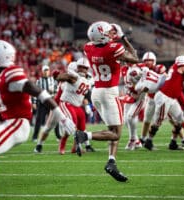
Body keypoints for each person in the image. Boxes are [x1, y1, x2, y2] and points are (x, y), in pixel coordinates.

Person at [0, 40, 75, 200]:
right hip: (10, 121)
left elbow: (40, 93)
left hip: (19, 124)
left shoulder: (10, 73)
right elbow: (12, 103)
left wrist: (62, 118)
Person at [75, 21, 139, 182]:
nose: (112, 34)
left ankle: (112, 162)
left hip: (96, 92)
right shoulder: (114, 48)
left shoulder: (89, 47)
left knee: (112, 130)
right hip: (109, 92)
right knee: (116, 134)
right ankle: (84, 135)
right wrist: (123, 38)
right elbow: (135, 58)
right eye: (109, 32)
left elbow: (102, 46)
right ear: (102, 35)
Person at [34, 58, 95, 154]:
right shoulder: (68, 81)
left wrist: (87, 105)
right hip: (58, 106)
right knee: (50, 127)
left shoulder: (82, 80)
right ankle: (39, 145)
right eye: (79, 69)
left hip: (72, 105)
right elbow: (64, 80)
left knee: (78, 125)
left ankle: (83, 145)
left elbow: (81, 94)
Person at [144, 55, 184, 151]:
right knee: (158, 121)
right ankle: (148, 141)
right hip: (164, 97)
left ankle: (173, 143)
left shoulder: (180, 71)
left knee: (179, 119)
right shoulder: (178, 67)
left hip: (171, 99)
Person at [138, 51, 167, 145]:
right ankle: (142, 138)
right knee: (147, 120)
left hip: (162, 98)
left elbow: (165, 79)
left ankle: (181, 139)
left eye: (150, 60)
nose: (148, 62)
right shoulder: (142, 71)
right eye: (146, 60)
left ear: (154, 61)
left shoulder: (159, 68)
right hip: (150, 98)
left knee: (172, 119)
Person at [31, 64, 58, 142]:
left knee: (55, 119)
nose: (46, 72)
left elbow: (57, 91)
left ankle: (58, 136)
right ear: (42, 72)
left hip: (51, 102)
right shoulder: (38, 81)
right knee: (38, 120)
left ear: (49, 71)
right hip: (42, 103)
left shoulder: (53, 80)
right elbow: (35, 92)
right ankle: (35, 137)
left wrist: (54, 92)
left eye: (47, 70)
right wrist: (34, 102)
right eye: (45, 70)